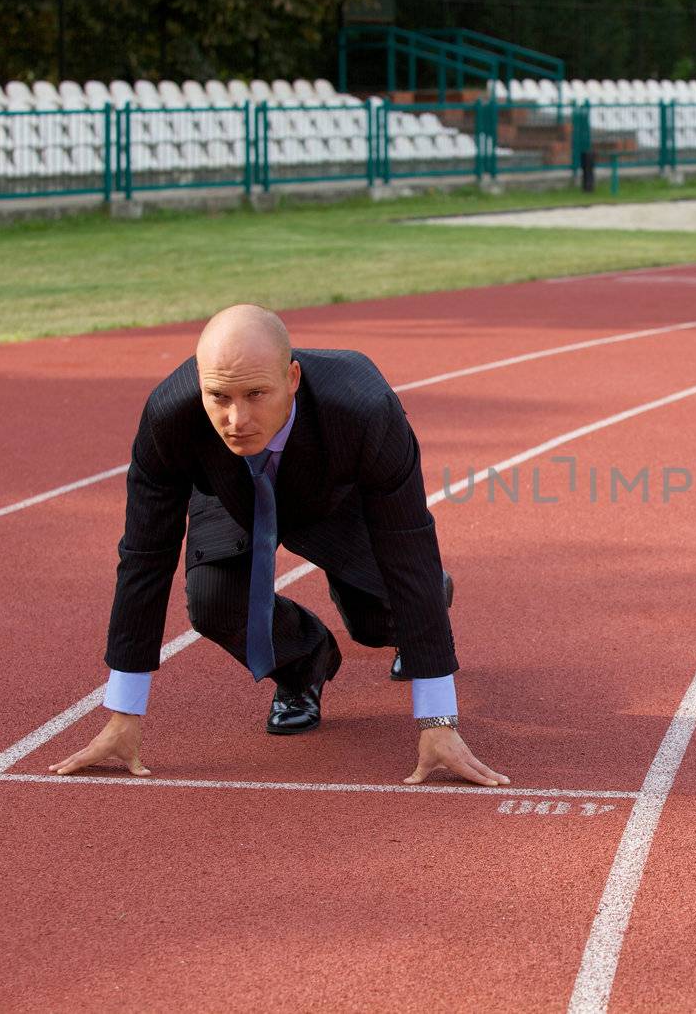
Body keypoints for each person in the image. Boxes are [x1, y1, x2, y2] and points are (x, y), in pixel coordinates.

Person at [51, 304, 508, 787]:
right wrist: (124, 713)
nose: (236, 418)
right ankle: (304, 663)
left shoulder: (364, 409)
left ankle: (420, 603)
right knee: (211, 600)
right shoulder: (169, 417)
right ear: (200, 382)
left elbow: (408, 545)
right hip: (229, 493)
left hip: (334, 493)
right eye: (219, 396)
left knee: (380, 619)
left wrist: (438, 721)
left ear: (292, 377)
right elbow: (145, 554)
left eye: (255, 394)